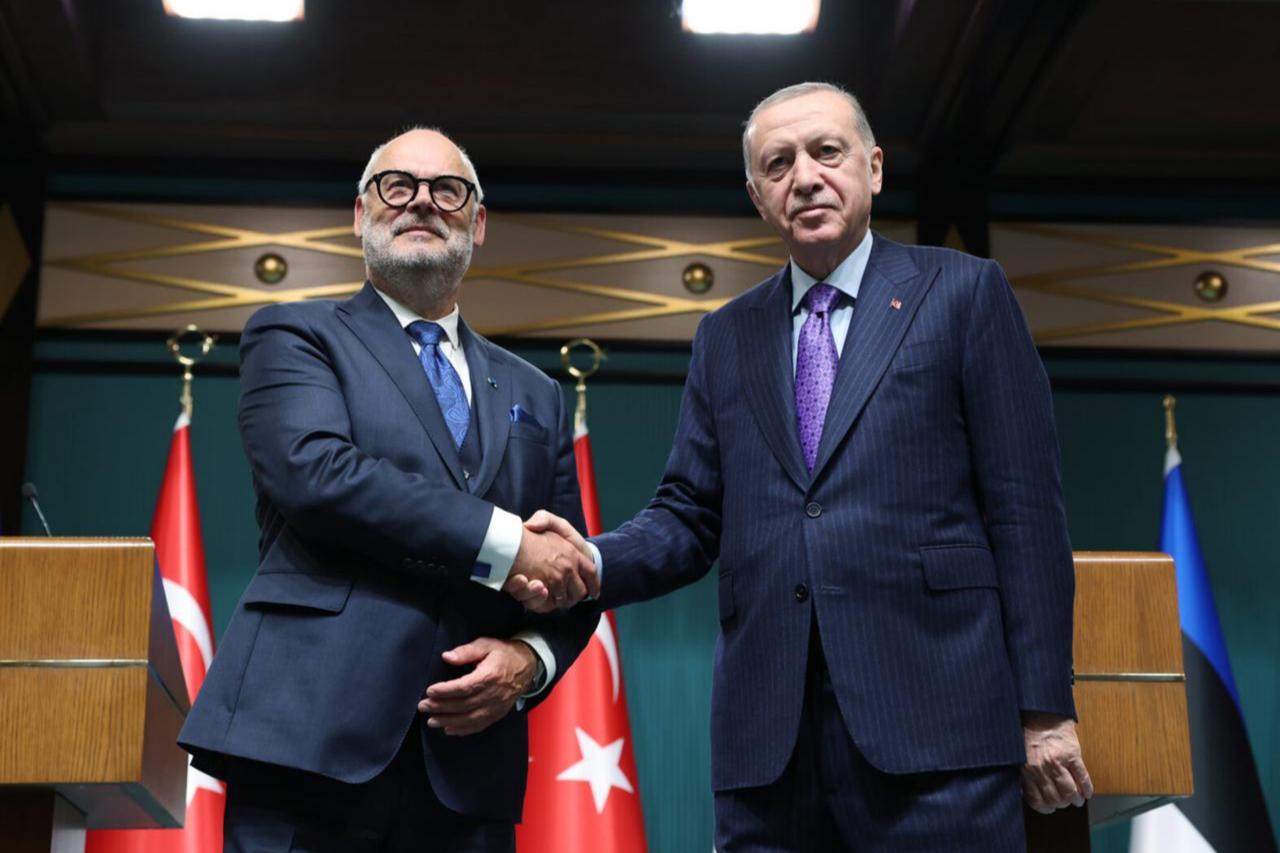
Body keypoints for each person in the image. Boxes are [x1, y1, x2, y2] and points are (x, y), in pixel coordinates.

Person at [529, 82, 1092, 851]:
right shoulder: (725, 336)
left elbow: (1025, 511)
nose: (805, 176)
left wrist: (1046, 710)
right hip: (772, 753)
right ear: (759, 196)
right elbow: (690, 514)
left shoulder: (963, 294)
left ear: (874, 168)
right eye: (778, 163)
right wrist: (589, 558)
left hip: (941, 739)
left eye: (826, 152)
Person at [179, 127, 599, 853]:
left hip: (469, 767)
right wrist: (505, 542)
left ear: (479, 222)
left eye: (448, 190)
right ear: (359, 214)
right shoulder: (293, 335)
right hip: (307, 748)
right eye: (396, 186)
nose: (422, 203)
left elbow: (568, 570)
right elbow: (319, 476)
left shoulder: (538, 392)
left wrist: (529, 662)